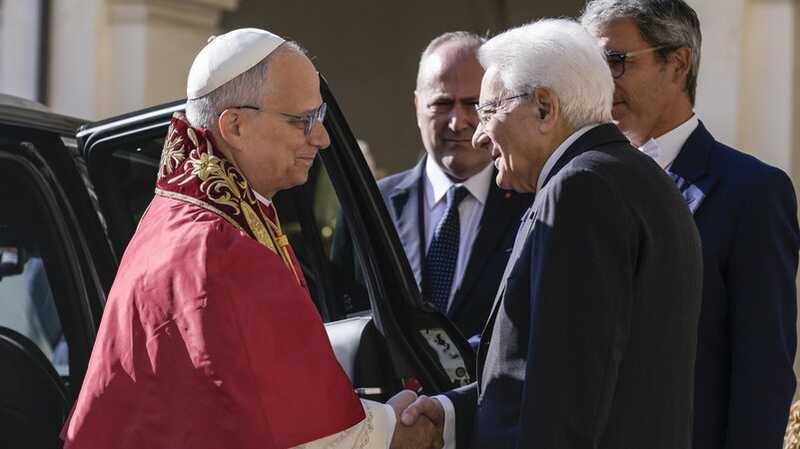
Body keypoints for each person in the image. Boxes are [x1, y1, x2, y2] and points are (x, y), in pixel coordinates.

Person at [60, 28, 439, 449]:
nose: (322, 138)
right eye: (304, 121)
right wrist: (394, 430)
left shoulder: (175, 219)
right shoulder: (219, 249)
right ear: (235, 125)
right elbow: (294, 429)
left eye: (322, 118)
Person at [399, 19, 703, 449]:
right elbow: (560, 374)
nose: (480, 135)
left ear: (544, 108)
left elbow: (566, 402)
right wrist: (451, 413)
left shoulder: (580, 190)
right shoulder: (641, 178)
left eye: (488, 110)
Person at [580, 2, 800, 448]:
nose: (602, 83)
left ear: (678, 64)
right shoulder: (577, 183)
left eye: (614, 62)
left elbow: (763, 371)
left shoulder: (753, 192)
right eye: (591, 67)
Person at [378, 31, 531, 342]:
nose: (457, 121)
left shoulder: (533, 202)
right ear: (417, 105)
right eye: (442, 103)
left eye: (474, 104)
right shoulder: (372, 205)